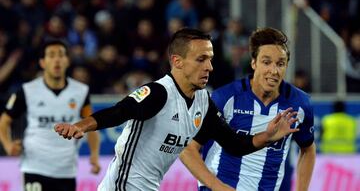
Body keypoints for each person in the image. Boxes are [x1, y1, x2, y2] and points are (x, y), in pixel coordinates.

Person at [54, 28, 299, 191]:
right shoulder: (160, 93)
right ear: (177, 62)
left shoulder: (202, 100)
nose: (210, 67)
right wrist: (79, 127)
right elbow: (119, 111)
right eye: (201, 59)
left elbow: (233, 143)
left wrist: (268, 136)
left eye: (211, 58)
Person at [181, 27, 316, 191]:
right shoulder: (225, 98)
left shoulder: (300, 104)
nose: (274, 71)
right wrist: (218, 186)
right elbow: (188, 149)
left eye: (280, 64)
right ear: (253, 63)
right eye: (266, 62)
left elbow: (307, 148)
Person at [0, 39, 101, 191]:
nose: (57, 60)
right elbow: (4, 120)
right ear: (42, 62)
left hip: (66, 169)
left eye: (61, 55)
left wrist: (94, 155)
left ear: (67, 61)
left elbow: (91, 124)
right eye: (51, 55)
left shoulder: (80, 91)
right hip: (34, 167)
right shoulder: (28, 90)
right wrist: (8, 144)